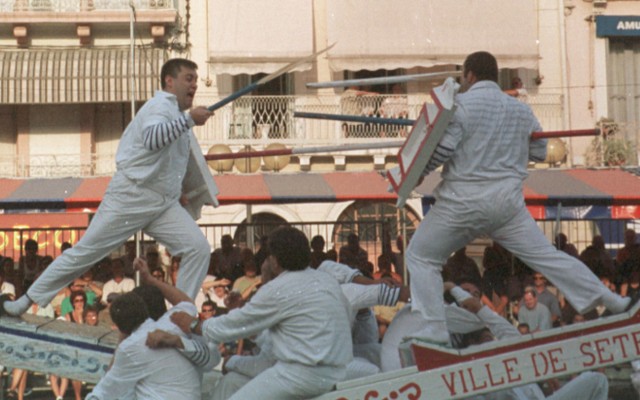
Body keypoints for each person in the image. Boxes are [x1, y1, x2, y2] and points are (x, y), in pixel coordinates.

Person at [403, 51, 632, 345]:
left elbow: (442, 151)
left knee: (420, 255)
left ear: (470, 75)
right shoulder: (522, 111)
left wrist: (417, 173)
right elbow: (540, 152)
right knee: (548, 257)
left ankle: (434, 327)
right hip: (506, 205)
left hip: (461, 203)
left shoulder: (459, 107)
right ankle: (611, 300)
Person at [1, 58, 213, 317]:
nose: (194, 85)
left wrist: (179, 188)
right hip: (131, 196)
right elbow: (153, 139)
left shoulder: (178, 116)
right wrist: (190, 119)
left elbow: (168, 161)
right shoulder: (160, 106)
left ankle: (180, 315)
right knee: (85, 253)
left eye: (196, 80)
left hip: (161, 203)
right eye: (189, 78)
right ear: (170, 81)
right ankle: (26, 301)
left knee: (197, 248)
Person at [171, 226, 353, 400]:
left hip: (299, 376)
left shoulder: (279, 287)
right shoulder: (326, 281)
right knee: (234, 381)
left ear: (275, 259)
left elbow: (231, 327)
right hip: (337, 372)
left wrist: (193, 324)